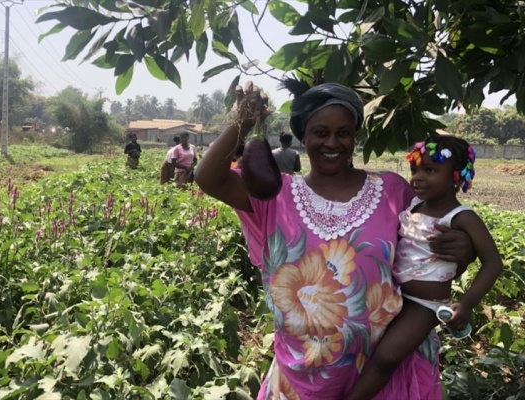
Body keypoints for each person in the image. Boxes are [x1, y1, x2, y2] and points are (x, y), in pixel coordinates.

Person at [194, 80, 474, 399]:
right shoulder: (273, 195)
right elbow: (208, 177)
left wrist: (462, 251)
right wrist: (243, 121)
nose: (333, 142)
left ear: (354, 136)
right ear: (303, 136)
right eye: (321, 132)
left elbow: (428, 257)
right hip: (300, 379)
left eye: (343, 133)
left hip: (380, 378)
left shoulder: (393, 192)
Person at [345, 135, 503, 400]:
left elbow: (493, 262)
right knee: (366, 348)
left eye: (430, 171)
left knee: (386, 357)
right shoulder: (415, 206)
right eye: (415, 170)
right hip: (395, 296)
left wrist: (466, 303)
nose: (418, 177)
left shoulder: (462, 217)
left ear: (456, 176)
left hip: (425, 304)